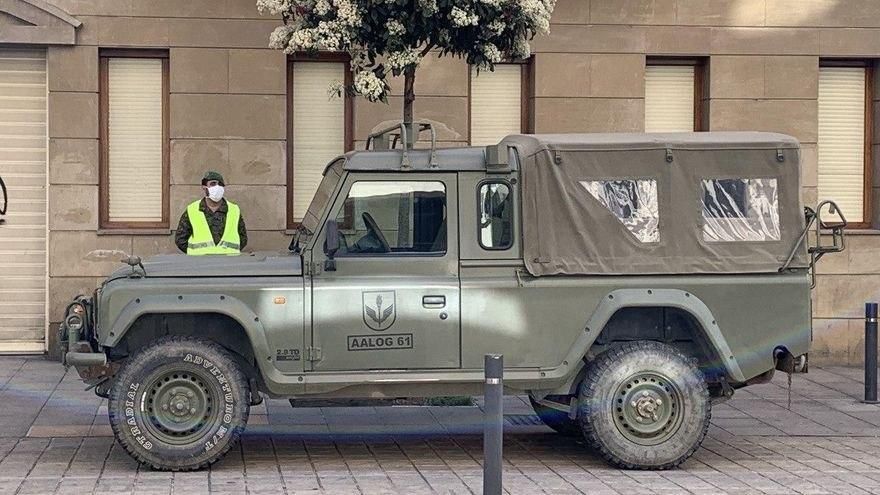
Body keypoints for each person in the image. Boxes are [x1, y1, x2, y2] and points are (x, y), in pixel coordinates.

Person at [175, 171, 248, 255]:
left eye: (220, 184)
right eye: (213, 183)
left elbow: (243, 238)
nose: (217, 187)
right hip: (200, 263)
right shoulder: (192, 209)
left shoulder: (234, 210)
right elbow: (180, 239)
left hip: (228, 262)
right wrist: (194, 253)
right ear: (204, 187)